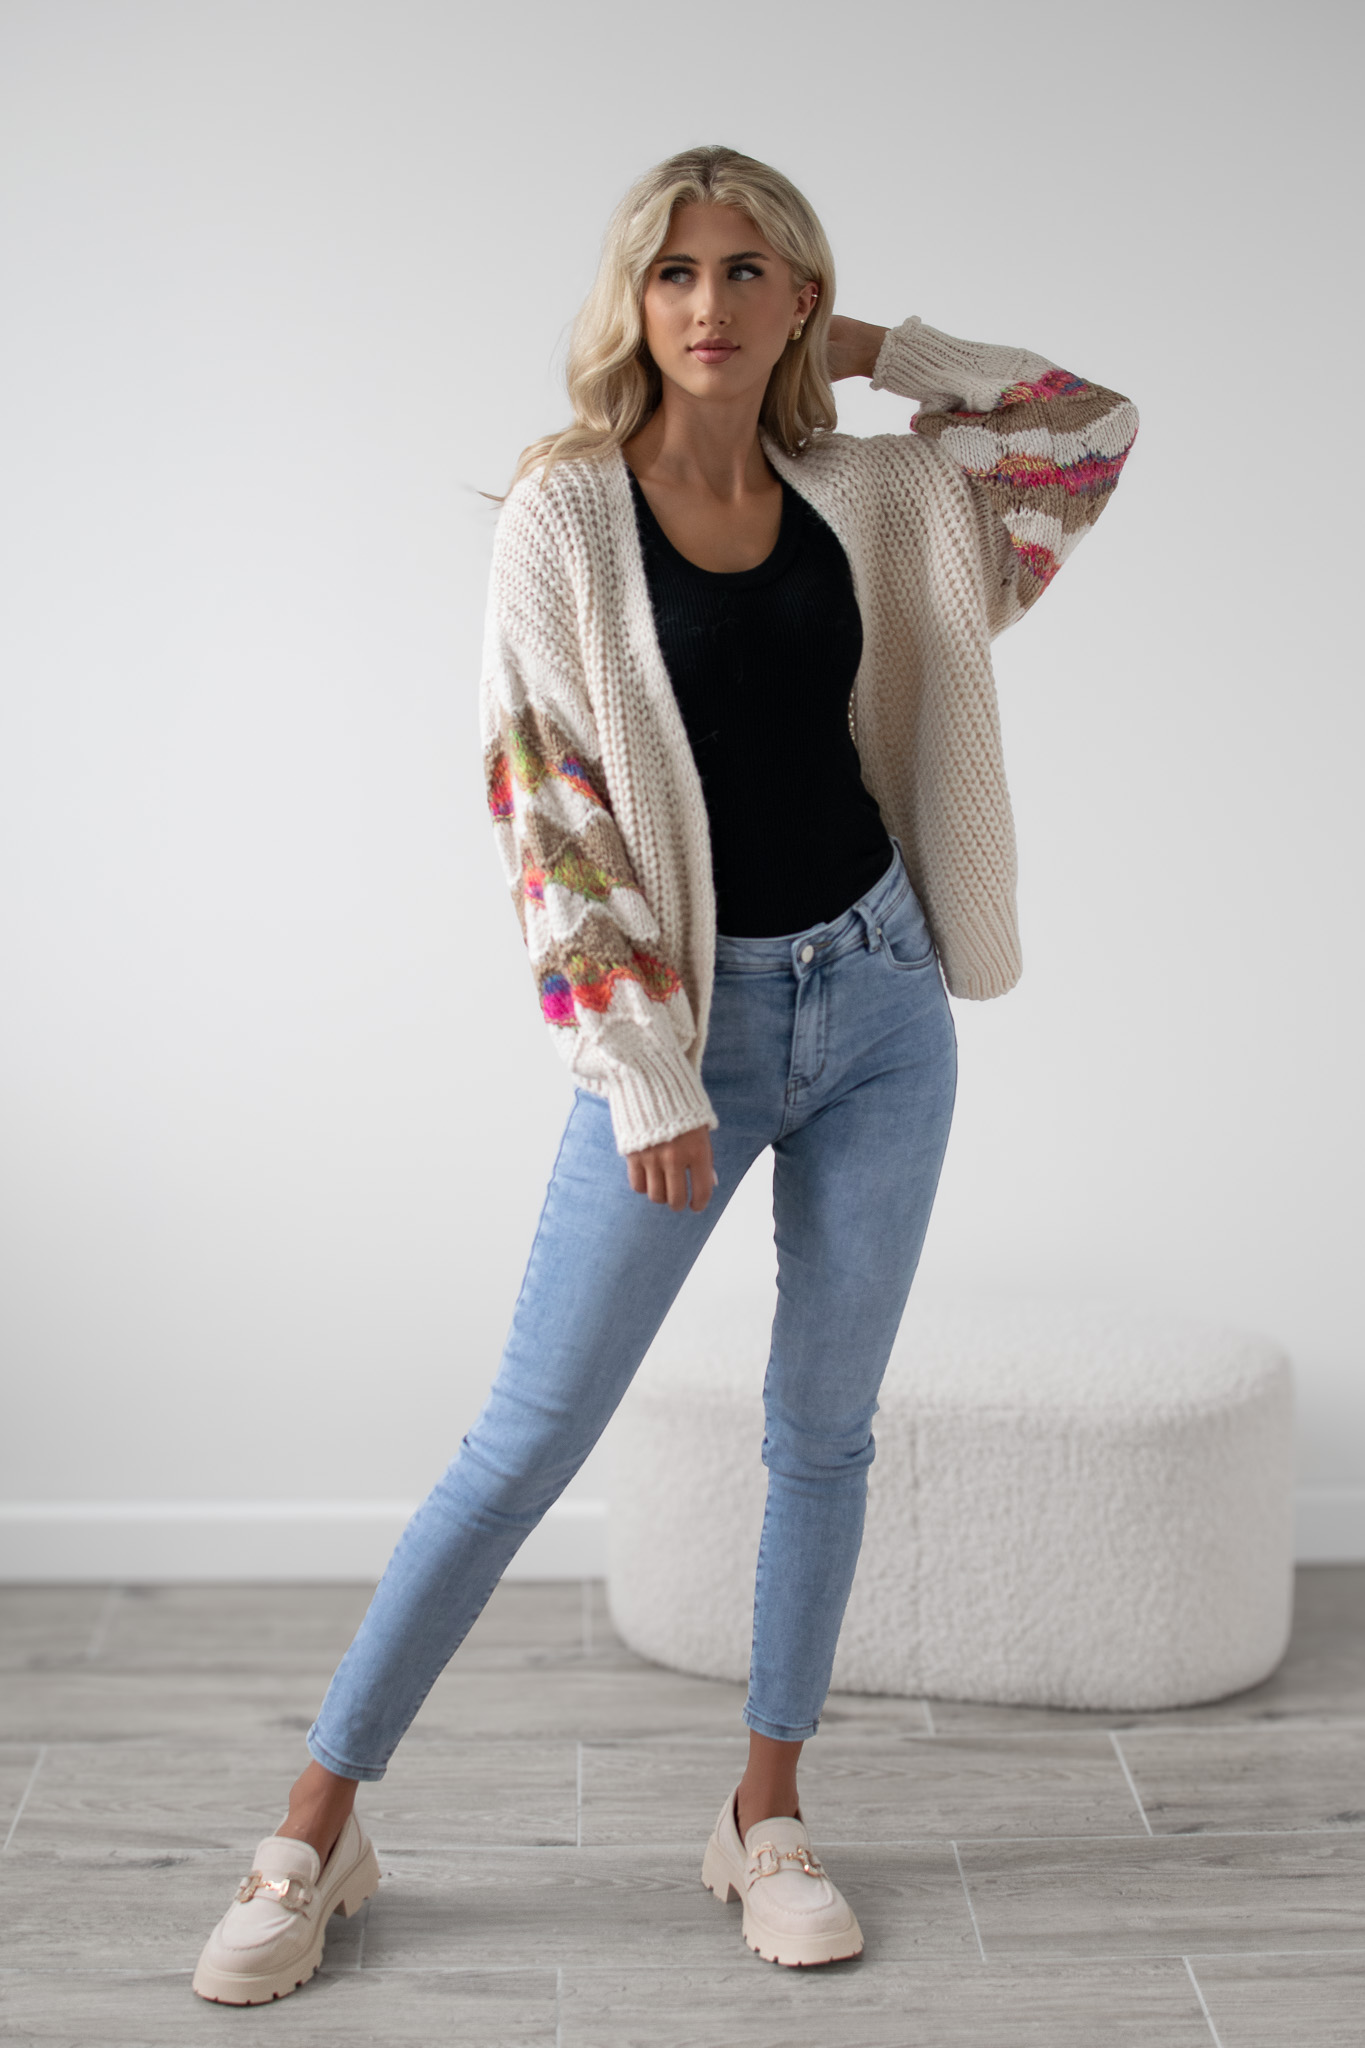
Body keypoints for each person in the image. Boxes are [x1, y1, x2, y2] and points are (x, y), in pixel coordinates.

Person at [191, 142, 1139, 2003]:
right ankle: (312, 1828)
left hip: (883, 1006)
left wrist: (871, 349)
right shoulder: (564, 514)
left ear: (797, 295)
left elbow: (1082, 433)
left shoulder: (876, 490)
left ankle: (764, 1817)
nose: (707, 304)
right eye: (674, 272)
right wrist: (643, 1068)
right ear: (632, 299)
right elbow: (544, 807)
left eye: (746, 270)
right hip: (694, 1032)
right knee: (524, 1441)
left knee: (824, 1432)